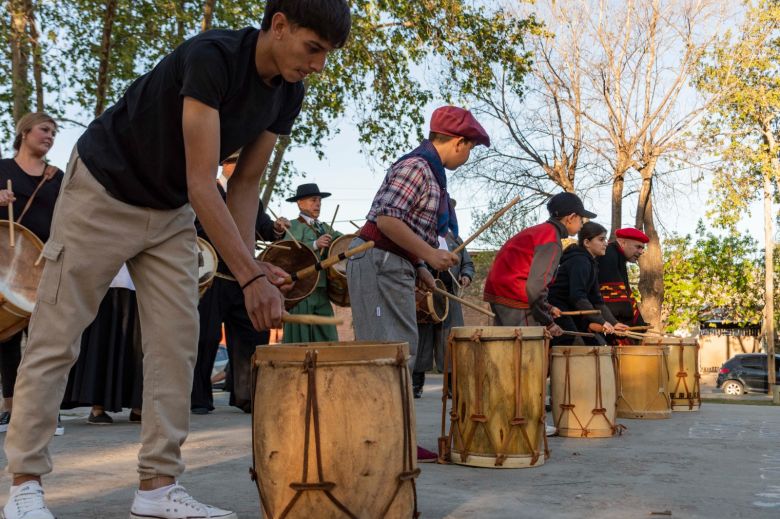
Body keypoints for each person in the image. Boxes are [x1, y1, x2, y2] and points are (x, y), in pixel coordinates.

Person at [2, 2, 351, 518]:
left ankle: (157, 490)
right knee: (58, 333)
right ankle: (24, 486)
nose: (319, 64)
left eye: (327, 54)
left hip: (168, 212)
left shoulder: (288, 92)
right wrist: (251, 277)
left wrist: (248, 262)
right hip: (103, 190)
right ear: (279, 26)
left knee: (177, 342)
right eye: (313, 48)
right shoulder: (211, 57)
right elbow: (200, 176)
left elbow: (245, 183)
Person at [347, 105, 490, 461]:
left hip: (394, 261)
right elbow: (387, 220)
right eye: (470, 147)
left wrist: (421, 268)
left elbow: (401, 228)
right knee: (387, 351)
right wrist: (430, 253)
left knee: (401, 348)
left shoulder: (430, 172)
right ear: (457, 142)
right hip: (377, 257)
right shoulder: (418, 168)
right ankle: (381, 443)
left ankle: (394, 439)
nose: (468, 155)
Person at [191, 152, 289, 415]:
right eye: (235, 161)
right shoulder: (207, 189)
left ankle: (247, 394)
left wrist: (277, 229)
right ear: (225, 164)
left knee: (254, 332)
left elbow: (265, 229)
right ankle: (199, 398)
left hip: (243, 277)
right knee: (205, 336)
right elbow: (197, 228)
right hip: (214, 276)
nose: (241, 165)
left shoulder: (251, 198)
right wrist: (231, 237)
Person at [0, 112, 64, 437]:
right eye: (44, 129)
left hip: (47, 264)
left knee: (44, 338)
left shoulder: (57, 177)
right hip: (6, 266)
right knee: (7, 339)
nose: (50, 136)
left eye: (53, 132)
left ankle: (45, 410)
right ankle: (10, 408)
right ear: (25, 132)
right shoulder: (2, 170)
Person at [483, 192, 596, 336]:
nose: (582, 224)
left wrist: (547, 307)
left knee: (506, 348)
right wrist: (548, 322)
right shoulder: (551, 239)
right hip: (516, 296)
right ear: (571, 217)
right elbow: (535, 288)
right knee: (526, 353)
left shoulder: (540, 231)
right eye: (581, 219)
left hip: (501, 294)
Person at [60, 264, 143, 424]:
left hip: (137, 279)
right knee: (101, 340)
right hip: (102, 278)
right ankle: (98, 407)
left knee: (136, 343)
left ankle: (137, 405)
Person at [412, 228, 474, 398]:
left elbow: (467, 264)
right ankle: (416, 385)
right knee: (421, 340)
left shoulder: (455, 239)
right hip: (424, 295)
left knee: (449, 341)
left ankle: (451, 386)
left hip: (449, 297)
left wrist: (466, 275)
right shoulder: (419, 234)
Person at [547, 222, 629, 345]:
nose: (606, 243)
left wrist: (614, 323)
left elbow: (597, 301)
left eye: (605, 239)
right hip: (558, 309)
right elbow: (577, 297)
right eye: (601, 239)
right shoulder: (580, 261)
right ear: (586, 243)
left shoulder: (592, 264)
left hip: (572, 309)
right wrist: (601, 321)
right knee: (572, 343)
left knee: (594, 343)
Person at [282, 183, 342, 343]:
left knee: (328, 340)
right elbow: (288, 255)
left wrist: (362, 235)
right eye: (313, 200)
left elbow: (344, 242)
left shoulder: (325, 227)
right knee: (299, 342)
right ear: (299, 203)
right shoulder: (293, 226)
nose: (318, 204)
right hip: (302, 292)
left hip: (323, 290)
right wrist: (315, 244)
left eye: (320, 201)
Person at [597, 227, 649, 328]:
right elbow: (617, 306)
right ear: (623, 243)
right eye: (638, 247)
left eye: (642, 248)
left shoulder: (617, 255)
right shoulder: (609, 254)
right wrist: (633, 325)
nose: (641, 251)